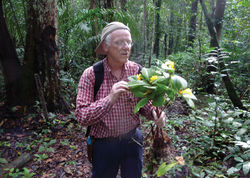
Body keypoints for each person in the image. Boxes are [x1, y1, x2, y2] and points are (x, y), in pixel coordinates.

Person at [75, 21, 166, 178]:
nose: (126, 47)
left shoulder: (137, 71)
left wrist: (154, 114)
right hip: (103, 144)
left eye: (129, 42)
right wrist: (109, 99)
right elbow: (82, 116)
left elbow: (143, 105)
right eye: (119, 42)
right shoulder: (91, 74)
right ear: (105, 47)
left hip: (132, 140)